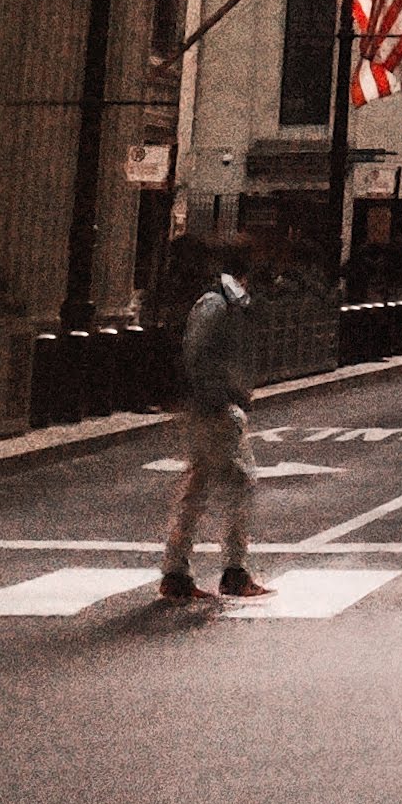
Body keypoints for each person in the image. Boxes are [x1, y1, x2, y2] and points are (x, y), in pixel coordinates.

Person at [159, 239, 270, 605]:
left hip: (211, 404)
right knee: (241, 482)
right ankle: (234, 571)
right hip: (214, 407)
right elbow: (199, 355)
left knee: (198, 486)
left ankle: (176, 572)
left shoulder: (225, 302)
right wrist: (221, 397)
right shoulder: (216, 303)